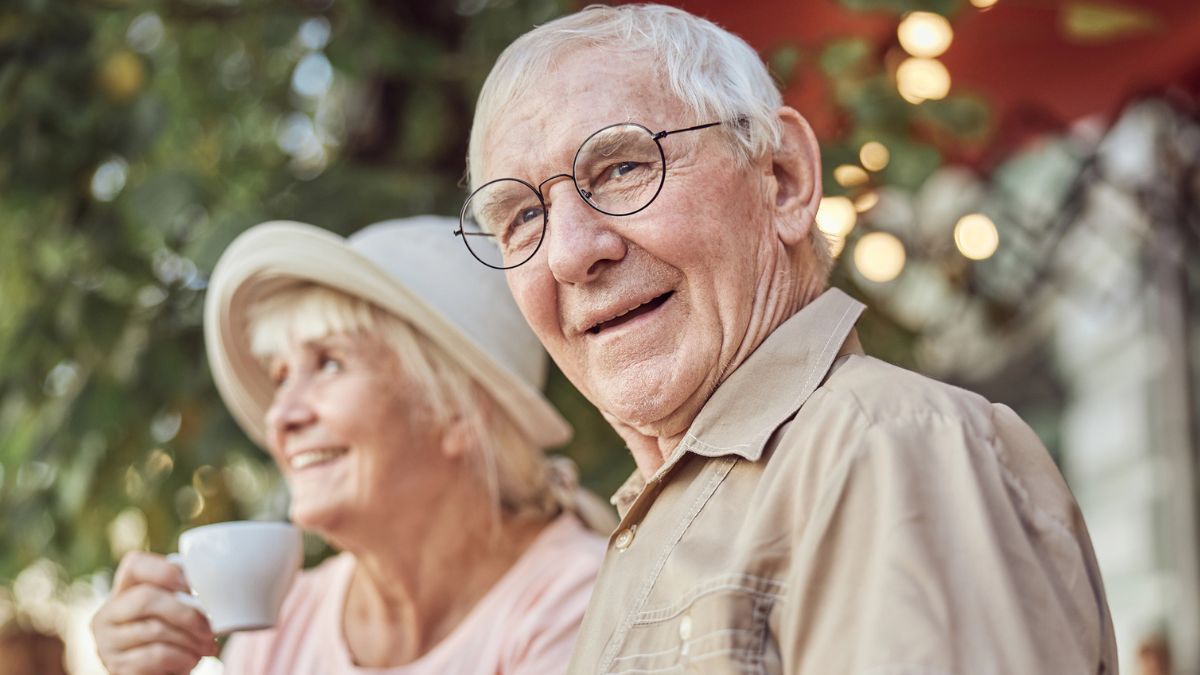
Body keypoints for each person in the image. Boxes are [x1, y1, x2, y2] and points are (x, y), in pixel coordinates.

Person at [459, 4, 1117, 674]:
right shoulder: (659, 518)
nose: (569, 253)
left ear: (783, 178)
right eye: (524, 216)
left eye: (622, 167)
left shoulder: (885, 447)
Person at [91, 216, 610, 674]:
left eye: (330, 364)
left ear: (459, 410)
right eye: (280, 377)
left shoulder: (579, 603)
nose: (281, 415)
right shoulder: (284, 622)